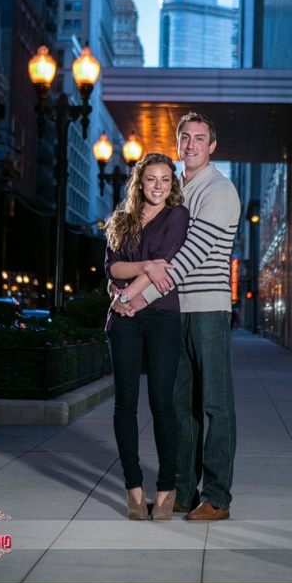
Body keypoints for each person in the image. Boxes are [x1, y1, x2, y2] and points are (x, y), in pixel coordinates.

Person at [113, 113, 241, 522]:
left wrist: (132, 298)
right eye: (184, 138)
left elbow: (184, 259)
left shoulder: (219, 190)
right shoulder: (177, 190)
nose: (190, 145)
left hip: (208, 309)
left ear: (212, 146)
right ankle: (183, 490)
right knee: (180, 405)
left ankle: (218, 496)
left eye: (199, 139)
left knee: (216, 404)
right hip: (177, 310)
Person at [104, 153, 189, 521]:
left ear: (173, 184)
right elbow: (113, 266)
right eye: (151, 179)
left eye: (165, 180)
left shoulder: (177, 216)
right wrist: (144, 266)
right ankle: (134, 489)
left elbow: (166, 266)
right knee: (125, 403)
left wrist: (125, 298)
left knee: (162, 403)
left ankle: (166, 489)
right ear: (140, 183)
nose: (158, 186)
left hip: (161, 318)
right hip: (123, 322)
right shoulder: (122, 219)